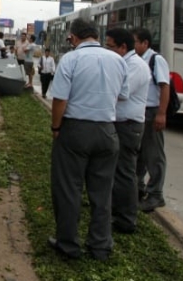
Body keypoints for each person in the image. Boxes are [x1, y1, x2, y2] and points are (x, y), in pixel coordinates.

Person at [46, 18, 128, 261]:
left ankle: (68, 245)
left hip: (75, 130)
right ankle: (101, 246)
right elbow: (122, 96)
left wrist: (56, 127)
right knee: (102, 192)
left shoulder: (71, 59)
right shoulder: (118, 60)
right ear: (96, 35)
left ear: (73, 37)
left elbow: (60, 99)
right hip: (107, 131)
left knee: (69, 189)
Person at [104, 28, 150, 233]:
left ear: (123, 47)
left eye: (110, 46)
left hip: (128, 126)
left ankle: (126, 219)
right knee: (116, 170)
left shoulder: (136, 66)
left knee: (125, 173)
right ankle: (116, 210)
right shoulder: (124, 62)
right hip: (120, 123)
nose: (108, 50)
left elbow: (121, 93)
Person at [133, 28, 171, 212]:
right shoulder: (139, 60)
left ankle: (156, 194)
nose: (132, 46)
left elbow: (164, 87)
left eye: (135, 42)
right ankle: (138, 189)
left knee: (154, 154)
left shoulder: (156, 60)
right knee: (139, 153)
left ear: (145, 43)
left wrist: (161, 114)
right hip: (141, 112)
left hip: (152, 111)